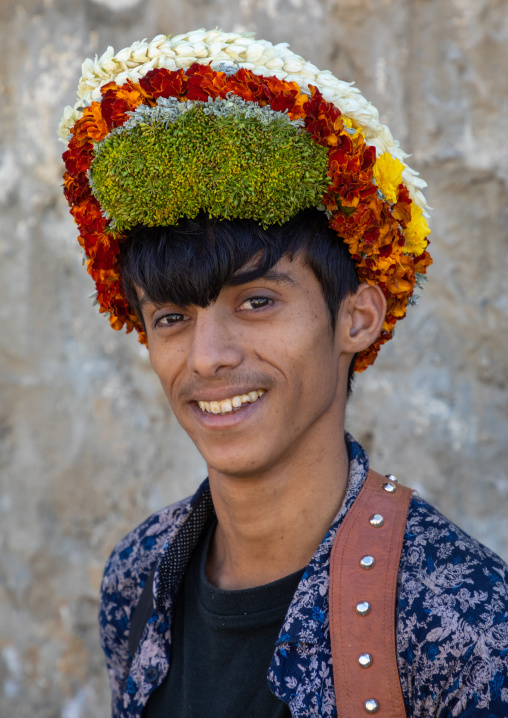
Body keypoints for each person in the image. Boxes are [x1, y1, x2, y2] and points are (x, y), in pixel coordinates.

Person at [59, 29, 508, 717]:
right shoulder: (140, 571)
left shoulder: (458, 619)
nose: (208, 357)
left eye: (258, 301)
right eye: (173, 317)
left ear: (356, 318)